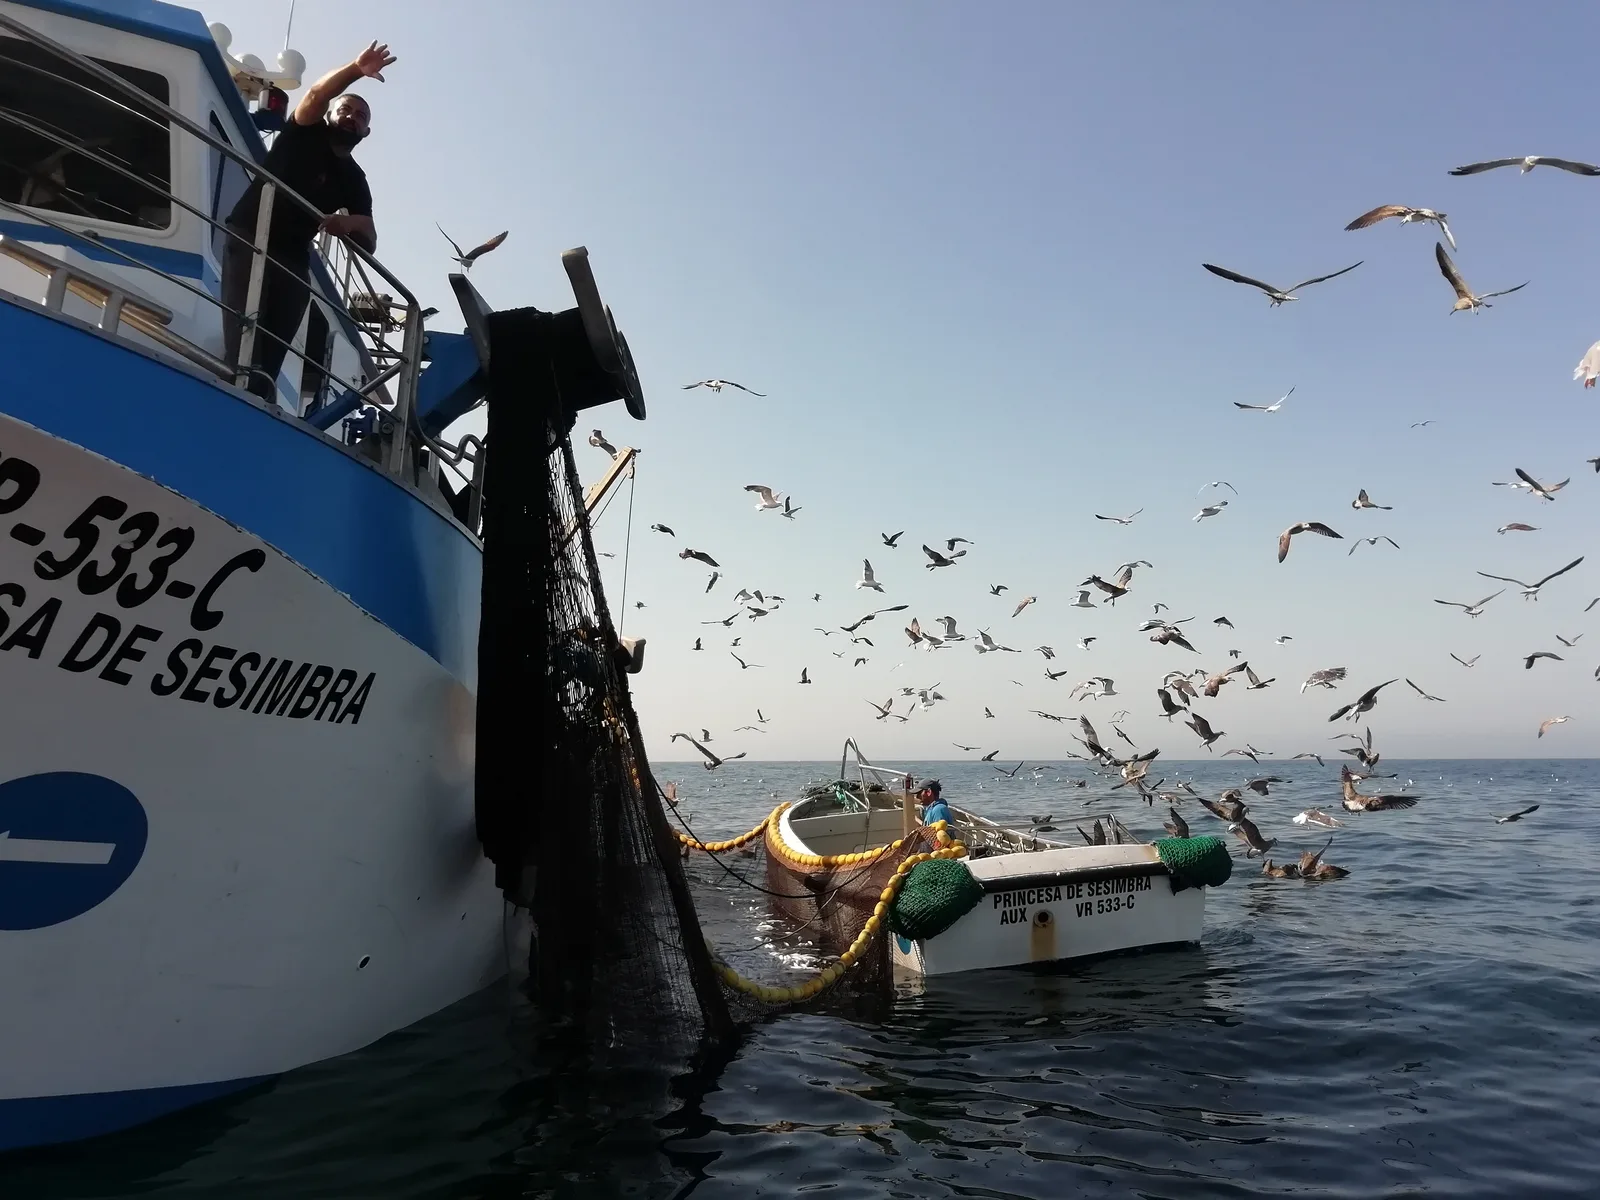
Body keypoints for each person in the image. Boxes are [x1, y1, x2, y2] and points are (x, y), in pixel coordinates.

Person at [221, 41, 396, 400]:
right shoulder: (304, 131)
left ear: (366, 133)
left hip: (294, 257)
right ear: (331, 115)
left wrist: (347, 224)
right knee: (242, 342)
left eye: (361, 117)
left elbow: (370, 234)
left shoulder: (354, 179)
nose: (352, 117)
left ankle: (257, 402)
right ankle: (233, 392)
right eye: (346, 110)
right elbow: (317, 92)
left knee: (274, 350)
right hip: (249, 235)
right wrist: (355, 70)